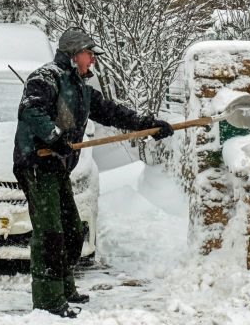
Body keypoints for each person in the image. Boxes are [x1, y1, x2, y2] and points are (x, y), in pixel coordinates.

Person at [13, 27, 174, 319]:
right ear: (74, 56)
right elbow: (31, 112)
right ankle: (48, 302)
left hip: (57, 166)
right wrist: (55, 137)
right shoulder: (44, 78)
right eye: (89, 55)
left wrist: (148, 124)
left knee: (72, 230)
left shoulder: (82, 88)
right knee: (50, 233)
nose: (93, 61)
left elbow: (112, 112)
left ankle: (64, 287)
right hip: (36, 164)